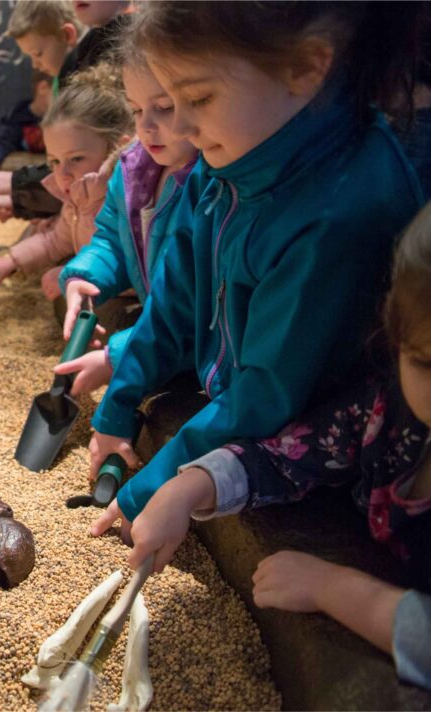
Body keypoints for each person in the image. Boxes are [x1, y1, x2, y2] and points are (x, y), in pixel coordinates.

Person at [85, 2, 424, 527]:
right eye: (172, 101)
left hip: (306, 460)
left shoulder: (339, 214)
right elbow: (175, 297)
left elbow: (271, 389)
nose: (184, 125)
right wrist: (118, 402)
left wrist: (153, 487)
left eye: (197, 98)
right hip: (232, 412)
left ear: (306, 67)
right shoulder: (231, 152)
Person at [118, 203, 431, 690]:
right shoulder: (384, 413)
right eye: (426, 364)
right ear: (394, 341)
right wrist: (188, 488)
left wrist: (338, 590)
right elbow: (286, 454)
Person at [51, 39, 199, 394]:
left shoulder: (209, 184)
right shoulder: (131, 168)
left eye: (164, 107)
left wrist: (116, 356)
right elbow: (113, 239)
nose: (146, 127)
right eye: (135, 110)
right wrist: (85, 277)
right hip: (155, 334)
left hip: (193, 349)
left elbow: (195, 309)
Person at [0, 65, 132, 297]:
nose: (62, 174)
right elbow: (55, 241)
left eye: (76, 158)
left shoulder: (125, 200)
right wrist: (10, 260)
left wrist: (71, 274)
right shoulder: (78, 197)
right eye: (54, 161)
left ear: (118, 148)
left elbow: (132, 263)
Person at [0, 1, 131, 222]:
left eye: (38, 53)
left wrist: (21, 188)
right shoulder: (87, 49)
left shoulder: (125, 46)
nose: (35, 65)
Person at [0, 70, 52, 170]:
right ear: (43, 88)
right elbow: (6, 141)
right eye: (60, 91)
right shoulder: (20, 116)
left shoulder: (64, 119)